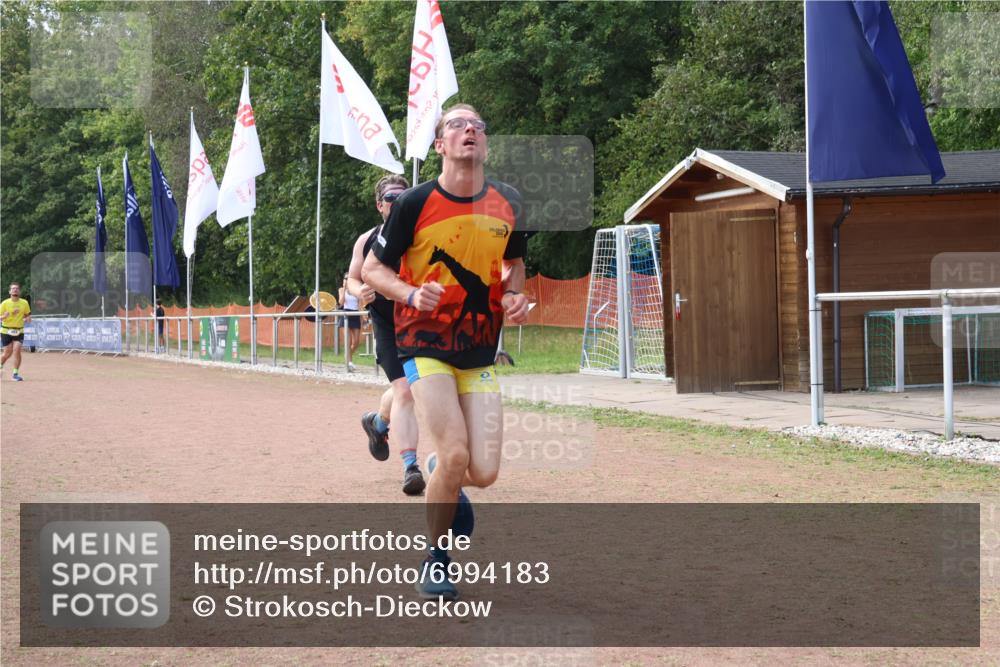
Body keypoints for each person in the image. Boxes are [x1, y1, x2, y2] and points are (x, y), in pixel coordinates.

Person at [363, 104, 530, 600]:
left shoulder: (509, 202)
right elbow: (373, 270)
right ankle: (435, 559)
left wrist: (515, 297)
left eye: (477, 124)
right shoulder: (414, 203)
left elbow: (515, 265)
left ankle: (440, 473)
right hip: (424, 343)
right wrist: (411, 294)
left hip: (478, 350)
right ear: (440, 145)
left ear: (485, 141)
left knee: (483, 472)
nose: (469, 129)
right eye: (456, 124)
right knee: (455, 448)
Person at [347, 174, 425, 496]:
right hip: (387, 325)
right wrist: (360, 292)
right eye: (391, 198)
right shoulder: (367, 241)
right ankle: (411, 468)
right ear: (380, 205)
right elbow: (350, 281)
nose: (398, 203)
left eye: (404, 197)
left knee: (416, 385)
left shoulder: (423, 238)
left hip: (421, 323)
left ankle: (378, 423)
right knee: (406, 389)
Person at [1, 283, 32, 381]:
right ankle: (1, 364)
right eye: (13, 289)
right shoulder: (4, 303)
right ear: (9, 291)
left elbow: (27, 315)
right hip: (6, 330)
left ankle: (15, 374)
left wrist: (28, 318)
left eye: (17, 289)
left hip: (19, 331)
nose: (15, 290)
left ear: (19, 291)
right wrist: (4, 317)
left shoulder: (24, 303)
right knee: (7, 353)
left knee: (17, 350)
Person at [338, 274, 361, 371]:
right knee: (348, 341)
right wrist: (344, 289)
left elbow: (360, 304)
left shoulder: (356, 289)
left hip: (355, 314)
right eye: (345, 278)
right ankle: (349, 362)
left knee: (356, 342)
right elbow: (341, 303)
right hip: (346, 314)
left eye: (349, 278)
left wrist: (364, 318)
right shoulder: (341, 290)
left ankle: (348, 358)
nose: (347, 280)